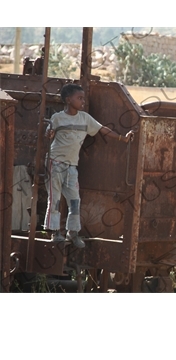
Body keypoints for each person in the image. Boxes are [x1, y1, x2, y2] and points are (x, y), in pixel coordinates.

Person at [44, 83, 134, 248]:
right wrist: (49, 133)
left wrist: (122, 138)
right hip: (55, 163)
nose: (82, 101)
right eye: (79, 98)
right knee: (55, 199)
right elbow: (49, 132)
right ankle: (55, 232)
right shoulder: (58, 118)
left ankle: (73, 232)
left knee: (75, 200)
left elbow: (102, 129)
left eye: (83, 98)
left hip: (71, 165)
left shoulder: (85, 118)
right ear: (68, 100)